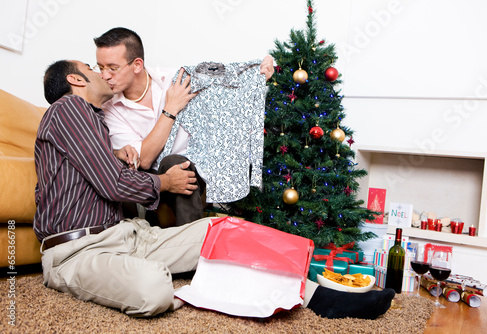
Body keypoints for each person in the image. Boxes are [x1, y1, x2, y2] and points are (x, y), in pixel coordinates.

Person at [35, 59, 395, 319]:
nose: (102, 73)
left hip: (131, 236)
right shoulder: (69, 108)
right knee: (154, 290)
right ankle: (209, 291)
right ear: (75, 80)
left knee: (223, 229)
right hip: (76, 252)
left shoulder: (92, 122)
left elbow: (92, 172)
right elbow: (113, 184)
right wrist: (165, 182)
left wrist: (114, 153)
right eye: (93, 68)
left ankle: (322, 297)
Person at [93, 27, 274, 226]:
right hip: (151, 181)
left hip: (195, 173)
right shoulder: (109, 110)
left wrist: (260, 71)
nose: (104, 75)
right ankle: (189, 245)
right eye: (100, 68)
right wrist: (170, 110)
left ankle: (190, 245)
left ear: (137, 65)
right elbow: (143, 160)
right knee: (171, 163)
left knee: (177, 162)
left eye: (112, 68)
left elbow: (225, 79)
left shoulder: (175, 79)